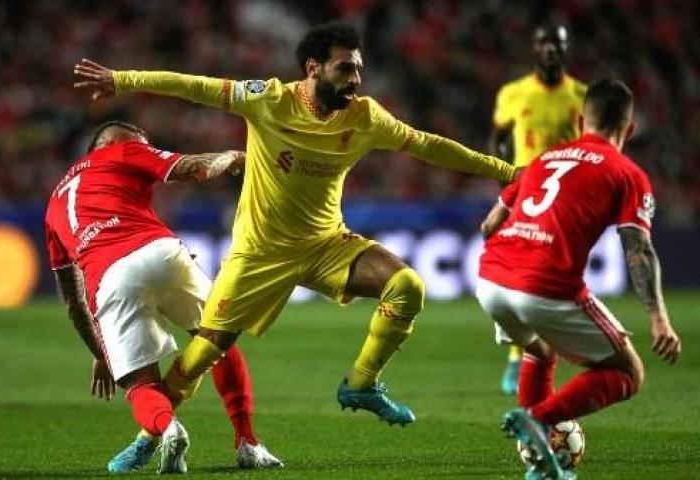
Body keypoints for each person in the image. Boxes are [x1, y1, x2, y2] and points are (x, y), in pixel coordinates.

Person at [73, 22, 517, 429]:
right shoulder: (268, 99)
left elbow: (430, 146)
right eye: (345, 69)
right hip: (260, 251)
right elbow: (194, 87)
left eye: (358, 70)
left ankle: (361, 384)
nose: (355, 79)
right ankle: (155, 436)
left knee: (407, 287)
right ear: (313, 67)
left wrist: (506, 172)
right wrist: (122, 80)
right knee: (207, 348)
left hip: (325, 244)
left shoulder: (364, 117)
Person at [45, 121, 282, 473]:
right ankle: (248, 442)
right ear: (109, 144)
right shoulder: (122, 149)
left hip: (110, 280)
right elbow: (196, 169)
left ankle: (167, 429)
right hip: (161, 253)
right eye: (142, 146)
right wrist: (232, 156)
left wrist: (102, 351)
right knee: (219, 341)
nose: (145, 152)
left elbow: (73, 303)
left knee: (142, 387)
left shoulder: (52, 208)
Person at [476, 79, 681, 479]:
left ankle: (538, 465)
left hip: (491, 281)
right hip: (543, 287)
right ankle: (536, 419)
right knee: (628, 372)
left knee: (540, 350)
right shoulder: (627, 173)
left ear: (579, 118)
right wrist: (659, 319)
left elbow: (489, 225)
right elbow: (637, 248)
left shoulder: (545, 159)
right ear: (630, 129)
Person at [484, 23, 588, 396]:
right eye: (544, 42)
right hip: (525, 195)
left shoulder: (579, 95)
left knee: (550, 279)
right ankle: (520, 356)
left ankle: (535, 355)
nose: (550, 50)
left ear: (565, 48)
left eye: (556, 44)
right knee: (523, 276)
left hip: (567, 198)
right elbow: (497, 140)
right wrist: (507, 185)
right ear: (534, 48)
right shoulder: (513, 93)